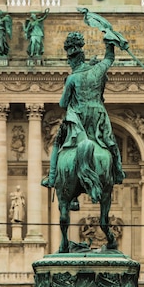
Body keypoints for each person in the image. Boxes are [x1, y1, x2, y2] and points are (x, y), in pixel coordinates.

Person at [41, 31, 125, 191]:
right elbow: (109, 58)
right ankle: (119, 171)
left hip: (78, 119)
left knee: (57, 143)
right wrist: (109, 43)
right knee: (110, 142)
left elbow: (63, 103)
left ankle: (52, 177)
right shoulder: (98, 70)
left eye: (69, 61)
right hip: (98, 116)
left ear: (73, 61)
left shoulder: (73, 78)